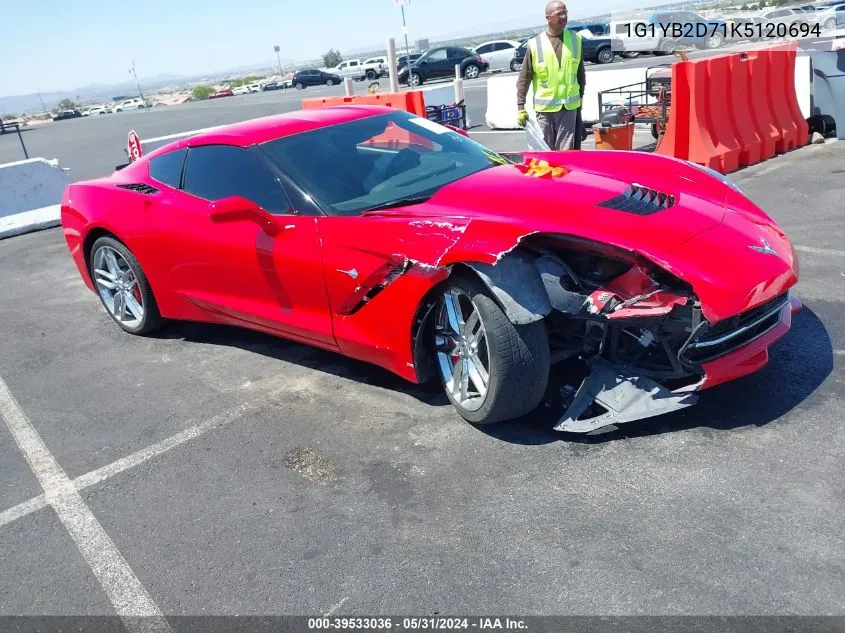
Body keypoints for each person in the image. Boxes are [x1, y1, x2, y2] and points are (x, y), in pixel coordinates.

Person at [516, 0, 586, 151]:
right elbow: (524, 78)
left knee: (566, 151)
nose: (564, 16)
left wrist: (581, 97)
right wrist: (520, 107)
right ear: (548, 17)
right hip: (545, 109)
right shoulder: (535, 45)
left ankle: (565, 175)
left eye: (565, 12)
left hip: (569, 107)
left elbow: (580, 73)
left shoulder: (575, 40)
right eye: (559, 13)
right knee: (545, 150)